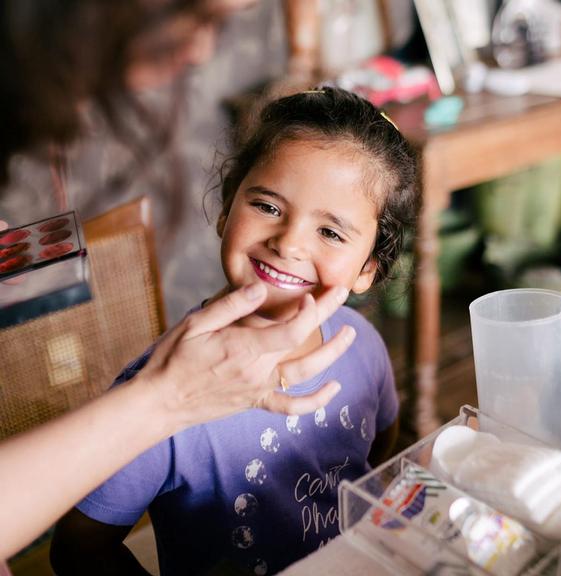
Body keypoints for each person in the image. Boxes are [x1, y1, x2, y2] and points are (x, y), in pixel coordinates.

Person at [0, 0, 358, 563]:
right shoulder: (156, 394)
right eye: (194, 14)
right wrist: (165, 399)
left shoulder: (363, 351)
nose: (201, 50)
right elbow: (78, 551)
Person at [51, 87, 418, 576]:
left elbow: (377, 447)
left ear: (367, 269)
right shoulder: (164, 388)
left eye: (330, 232)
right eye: (267, 206)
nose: (288, 243)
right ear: (227, 209)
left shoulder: (362, 344)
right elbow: (78, 548)